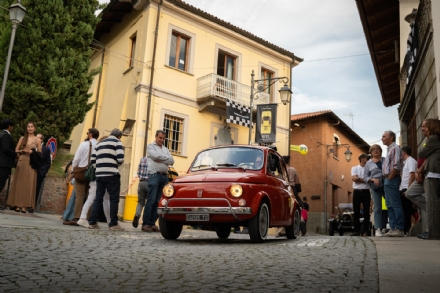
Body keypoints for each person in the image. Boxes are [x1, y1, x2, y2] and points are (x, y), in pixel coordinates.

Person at [88, 128, 125, 231]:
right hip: (112, 174)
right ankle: (113, 224)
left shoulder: (100, 143)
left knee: (98, 198)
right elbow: (121, 159)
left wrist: (99, 168)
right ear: (119, 136)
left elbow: (93, 160)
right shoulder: (117, 142)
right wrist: (114, 165)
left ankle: (92, 222)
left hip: (99, 175)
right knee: (113, 199)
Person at [64, 128, 99, 225]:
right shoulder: (99, 145)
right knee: (90, 196)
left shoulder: (84, 144)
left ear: (90, 134)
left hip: (81, 172)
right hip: (93, 173)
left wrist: (73, 170)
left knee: (79, 195)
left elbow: (76, 159)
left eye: (88, 133)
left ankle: (76, 218)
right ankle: (87, 218)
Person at [141, 130, 174, 232]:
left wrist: (161, 158)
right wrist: (165, 159)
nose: (162, 140)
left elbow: (172, 161)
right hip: (154, 176)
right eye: (160, 138)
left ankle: (152, 223)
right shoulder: (151, 146)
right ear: (156, 137)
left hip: (164, 177)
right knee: (151, 200)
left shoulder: (165, 149)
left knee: (158, 201)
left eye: (163, 138)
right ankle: (145, 224)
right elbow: (155, 157)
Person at [6, 122, 42, 213]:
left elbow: (40, 154)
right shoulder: (22, 138)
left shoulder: (37, 140)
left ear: (34, 128)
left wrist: (32, 152)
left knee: (28, 184)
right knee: (20, 183)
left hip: (31, 163)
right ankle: (17, 205)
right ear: (26, 128)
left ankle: (25, 206)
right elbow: (16, 150)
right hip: (22, 161)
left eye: (31, 127)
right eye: (28, 127)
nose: (30, 128)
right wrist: (22, 150)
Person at [76, 136, 111, 228]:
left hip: (95, 177)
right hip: (102, 176)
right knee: (105, 200)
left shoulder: (97, 149)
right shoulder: (105, 150)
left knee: (92, 198)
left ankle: (82, 218)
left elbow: (93, 161)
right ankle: (110, 221)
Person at [417, 118, 440, 240]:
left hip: (433, 175)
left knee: (432, 205)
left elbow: (421, 153)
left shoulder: (433, 139)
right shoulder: (436, 139)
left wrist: (426, 141)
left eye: (424, 126)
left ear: (431, 127)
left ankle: (433, 233)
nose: (422, 129)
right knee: (434, 204)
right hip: (435, 174)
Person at [381, 130, 404, 237]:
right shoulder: (390, 149)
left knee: (395, 204)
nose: (382, 138)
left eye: (384, 136)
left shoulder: (395, 148)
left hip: (392, 179)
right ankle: (393, 228)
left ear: (391, 138)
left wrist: (390, 177)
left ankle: (399, 229)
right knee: (389, 205)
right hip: (387, 179)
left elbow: (396, 165)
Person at [364, 144, 385, 237]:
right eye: (373, 150)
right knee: (377, 207)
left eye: (377, 149)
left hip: (386, 185)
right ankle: (378, 228)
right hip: (376, 187)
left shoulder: (385, 160)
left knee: (391, 205)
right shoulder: (368, 163)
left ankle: (392, 227)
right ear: (371, 152)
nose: (375, 151)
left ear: (380, 151)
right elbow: (365, 177)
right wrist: (373, 180)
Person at [399, 146, 418, 235]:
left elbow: (412, 175)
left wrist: (409, 189)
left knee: (406, 210)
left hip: (407, 188)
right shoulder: (406, 162)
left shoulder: (411, 161)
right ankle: (406, 228)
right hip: (403, 188)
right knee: (405, 209)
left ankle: (406, 229)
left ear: (404, 153)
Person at [350, 154, 370, 236]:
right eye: (366, 158)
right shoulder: (354, 168)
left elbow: (369, 180)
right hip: (357, 191)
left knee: (366, 212)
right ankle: (356, 231)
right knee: (356, 212)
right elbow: (354, 179)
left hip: (366, 191)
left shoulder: (369, 169)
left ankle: (366, 231)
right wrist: (365, 180)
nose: (368, 160)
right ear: (362, 159)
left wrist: (359, 179)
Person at [33, 133, 52, 212]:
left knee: (36, 189)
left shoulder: (46, 150)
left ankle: (32, 206)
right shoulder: (32, 147)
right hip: (31, 171)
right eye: (35, 138)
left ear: (42, 140)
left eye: (38, 138)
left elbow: (48, 162)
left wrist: (43, 171)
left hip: (40, 172)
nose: (36, 139)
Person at [0, 119, 16, 211]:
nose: (12, 128)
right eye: (12, 126)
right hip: (4, 163)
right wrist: (15, 154)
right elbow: (6, 149)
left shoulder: (1, 134)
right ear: (9, 126)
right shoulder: (6, 136)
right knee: (1, 183)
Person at [132, 155, 148, 228]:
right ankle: (145, 222)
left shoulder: (142, 159)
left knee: (140, 202)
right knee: (149, 203)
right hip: (149, 183)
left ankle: (137, 215)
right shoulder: (154, 160)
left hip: (141, 183)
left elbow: (138, 173)